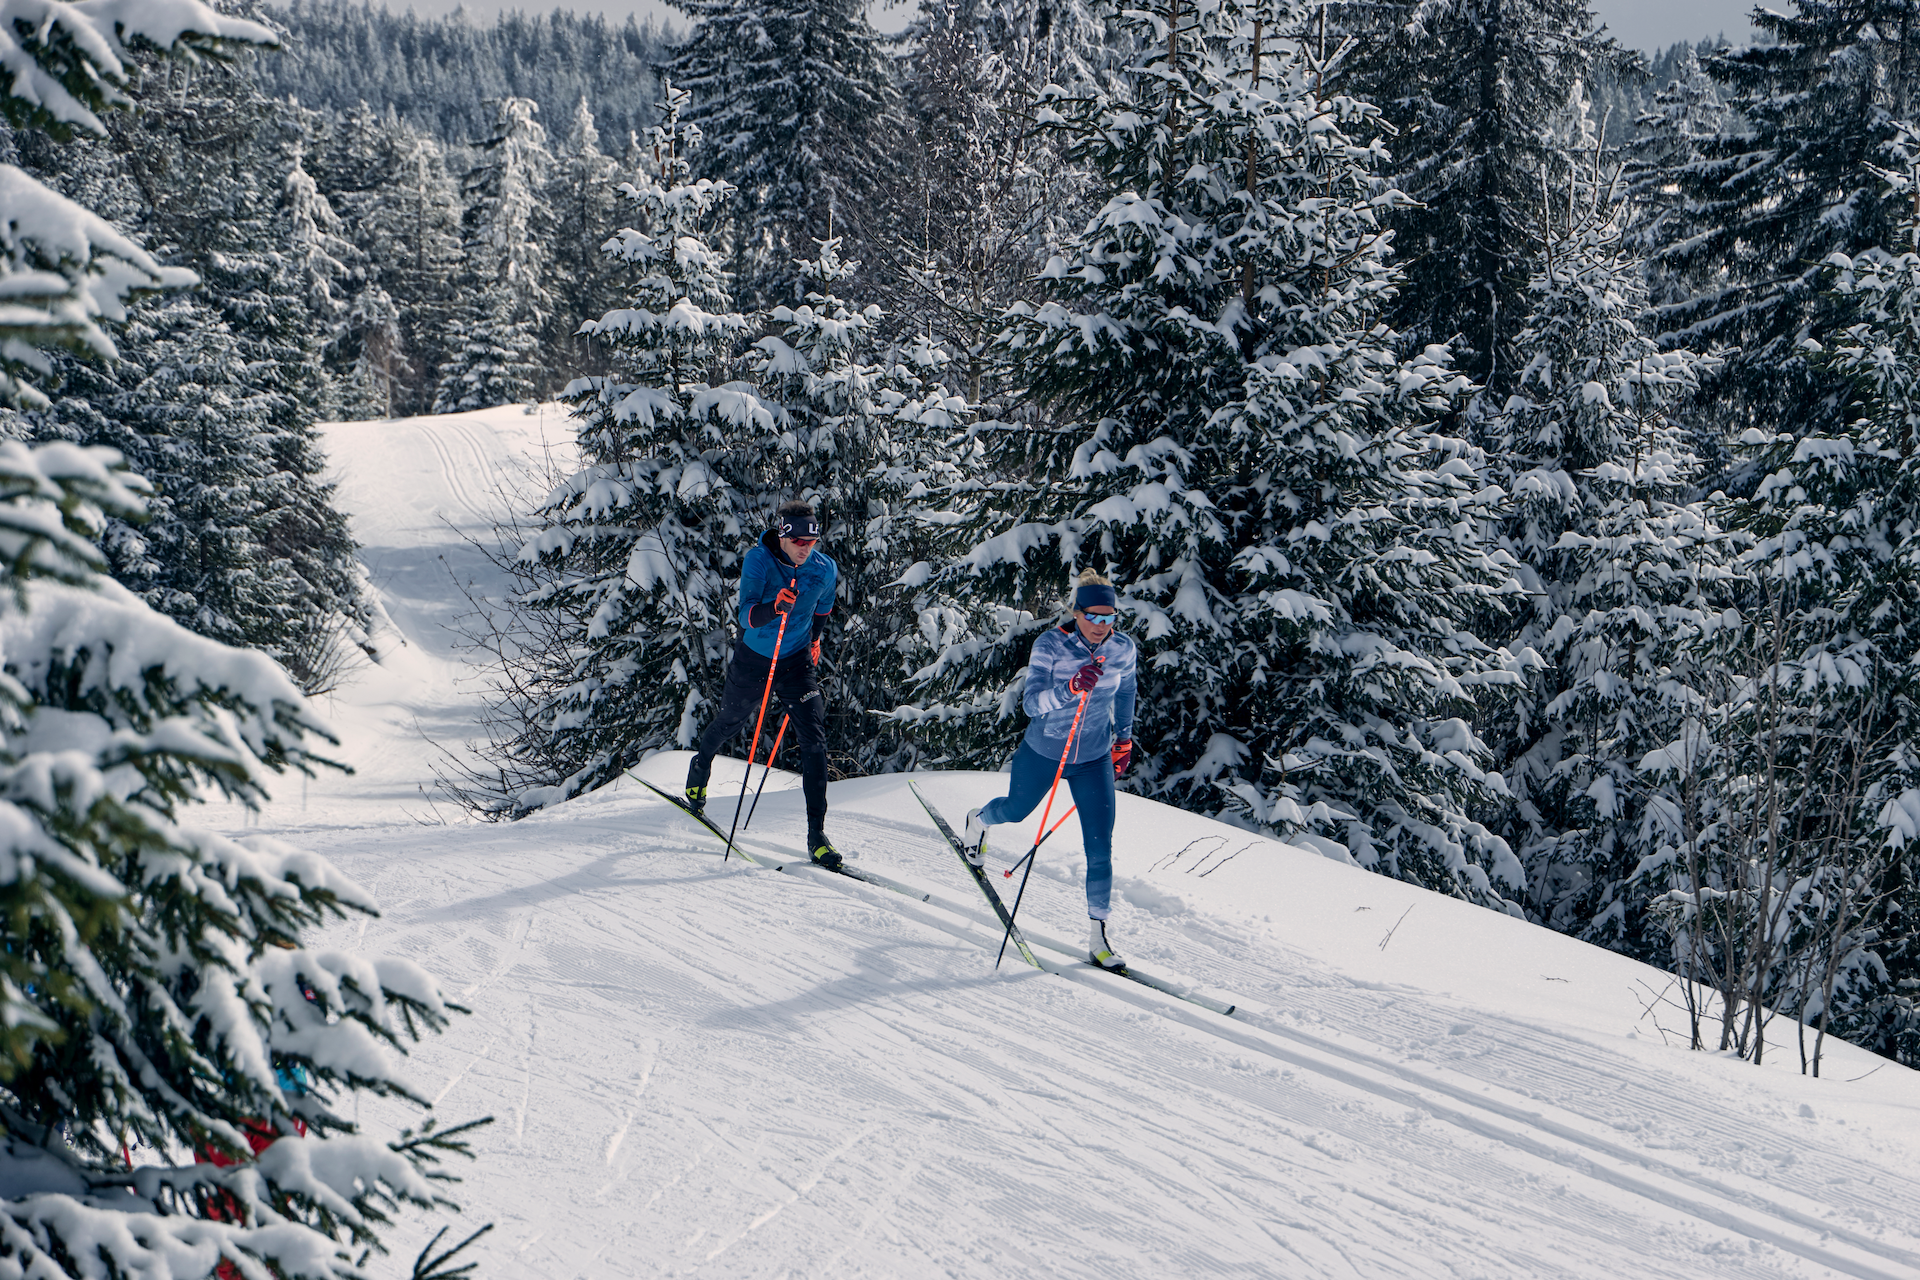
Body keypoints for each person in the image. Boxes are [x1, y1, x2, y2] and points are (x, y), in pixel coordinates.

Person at [964, 568, 1138, 970]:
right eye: (1092, 616)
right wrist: (1071, 688)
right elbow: (1031, 704)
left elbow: (1127, 690)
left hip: (1093, 758)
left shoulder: (1122, 649)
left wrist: (1124, 740)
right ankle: (978, 820)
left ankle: (1098, 938)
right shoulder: (1051, 645)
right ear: (1077, 613)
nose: (1101, 625)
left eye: (1108, 617)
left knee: (1100, 847)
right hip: (1045, 751)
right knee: (1015, 810)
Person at [685, 499, 843, 868]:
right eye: (799, 541)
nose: (805, 548)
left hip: (796, 661)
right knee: (730, 722)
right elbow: (746, 615)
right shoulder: (759, 559)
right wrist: (774, 607)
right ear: (783, 536)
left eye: (811, 541)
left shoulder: (824, 568)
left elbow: (823, 606)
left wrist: (815, 639)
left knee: (814, 740)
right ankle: (700, 767)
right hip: (755, 659)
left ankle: (817, 834)